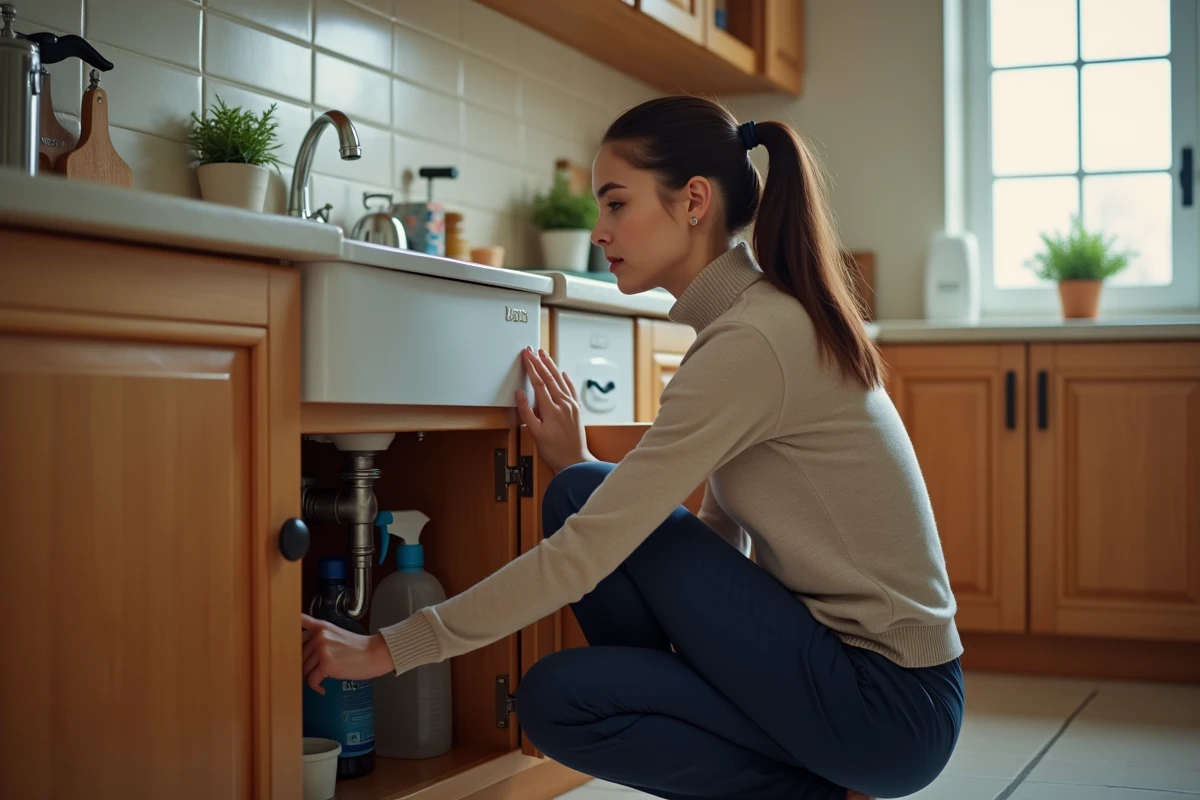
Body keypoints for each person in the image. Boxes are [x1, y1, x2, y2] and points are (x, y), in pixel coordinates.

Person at [300, 96, 964, 800]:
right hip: (865, 688)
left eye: (617, 205)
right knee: (579, 500)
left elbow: (593, 547)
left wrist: (387, 648)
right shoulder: (751, 325)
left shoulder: (753, 342)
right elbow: (718, 536)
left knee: (564, 656)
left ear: (694, 202)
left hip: (887, 707)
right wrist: (579, 467)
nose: (600, 229)